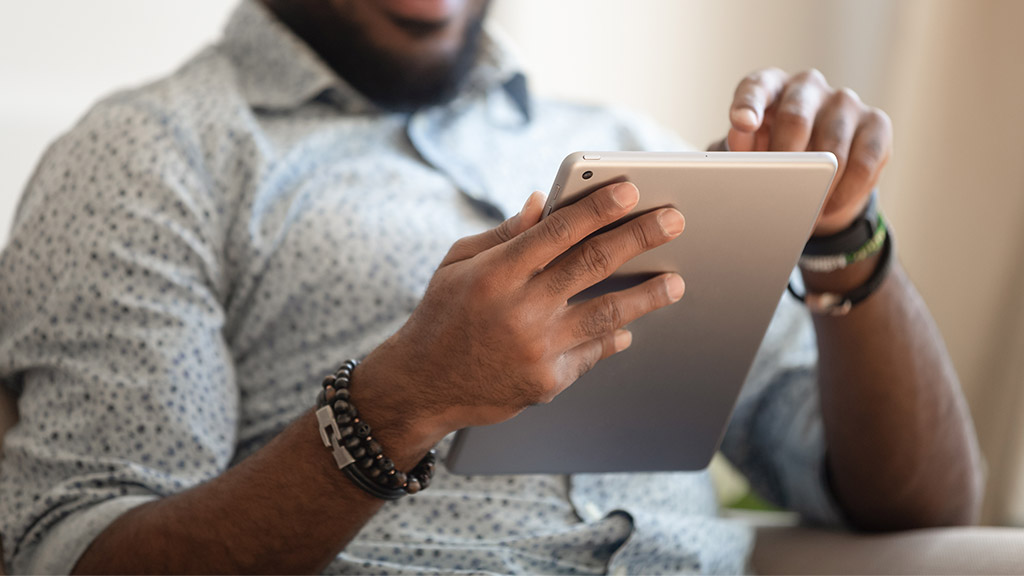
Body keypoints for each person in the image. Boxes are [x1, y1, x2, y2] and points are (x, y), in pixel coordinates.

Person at [0, 0, 982, 573]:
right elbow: (77, 552)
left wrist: (844, 235)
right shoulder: (149, 154)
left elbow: (914, 499)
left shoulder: (634, 146)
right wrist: (399, 402)